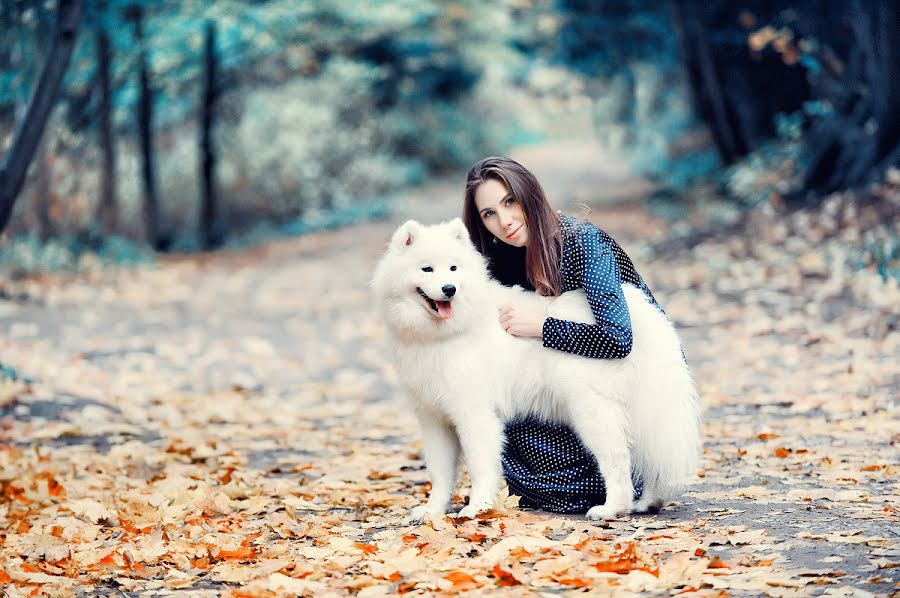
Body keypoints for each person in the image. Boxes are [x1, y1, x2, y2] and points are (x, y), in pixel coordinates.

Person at [462, 156, 664, 513]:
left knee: (580, 433)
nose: (504, 221)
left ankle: (628, 479)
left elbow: (618, 340)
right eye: (488, 214)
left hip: (623, 385)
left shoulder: (584, 242)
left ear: (529, 193)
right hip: (553, 390)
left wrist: (541, 326)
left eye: (510, 201)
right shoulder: (500, 259)